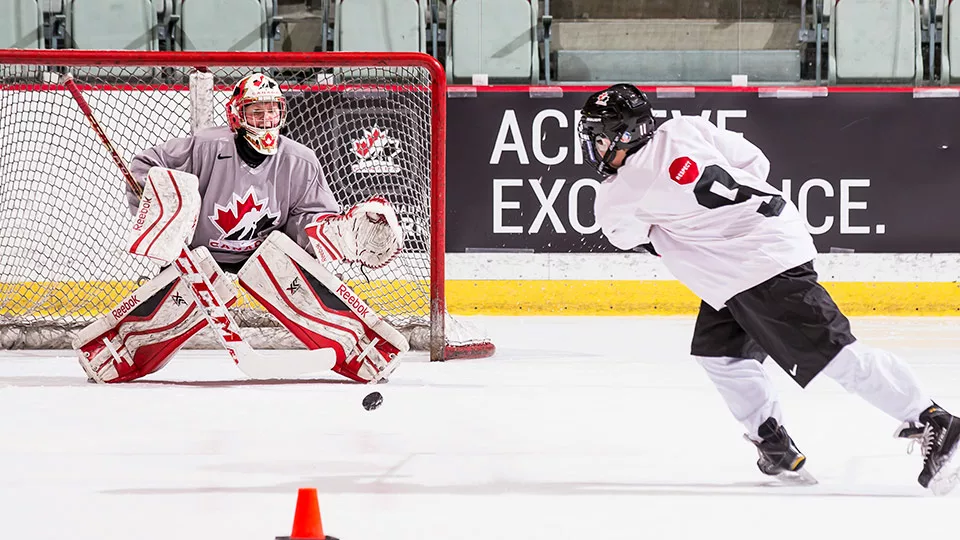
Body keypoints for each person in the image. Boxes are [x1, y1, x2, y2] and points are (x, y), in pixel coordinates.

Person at [577, 83, 959, 494]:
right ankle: (772, 442)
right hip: (756, 253)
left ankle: (932, 418)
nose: (594, 146)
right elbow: (753, 162)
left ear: (625, 135)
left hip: (755, 268)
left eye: (599, 136)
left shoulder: (617, 196)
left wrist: (714, 231)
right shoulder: (685, 128)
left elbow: (632, 237)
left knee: (836, 355)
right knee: (718, 354)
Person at [73, 73, 407, 385]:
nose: (265, 121)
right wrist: (162, 203)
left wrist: (338, 233)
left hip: (266, 255)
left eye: (272, 111)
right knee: (198, 273)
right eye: (256, 111)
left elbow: (306, 221)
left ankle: (357, 348)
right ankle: (120, 351)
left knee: (284, 263)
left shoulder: (299, 160)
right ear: (237, 114)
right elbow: (144, 167)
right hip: (200, 255)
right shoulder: (205, 146)